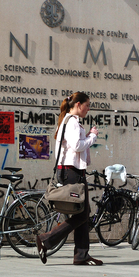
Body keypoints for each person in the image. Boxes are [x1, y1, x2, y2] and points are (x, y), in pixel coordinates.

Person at [36, 91, 103, 266]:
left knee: (83, 213)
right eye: (87, 105)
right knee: (82, 215)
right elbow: (77, 146)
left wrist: (87, 136)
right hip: (71, 172)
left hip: (70, 171)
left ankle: (81, 255)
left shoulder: (66, 120)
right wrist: (92, 136)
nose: (88, 109)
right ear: (78, 105)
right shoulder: (72, 122)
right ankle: (46, 239)